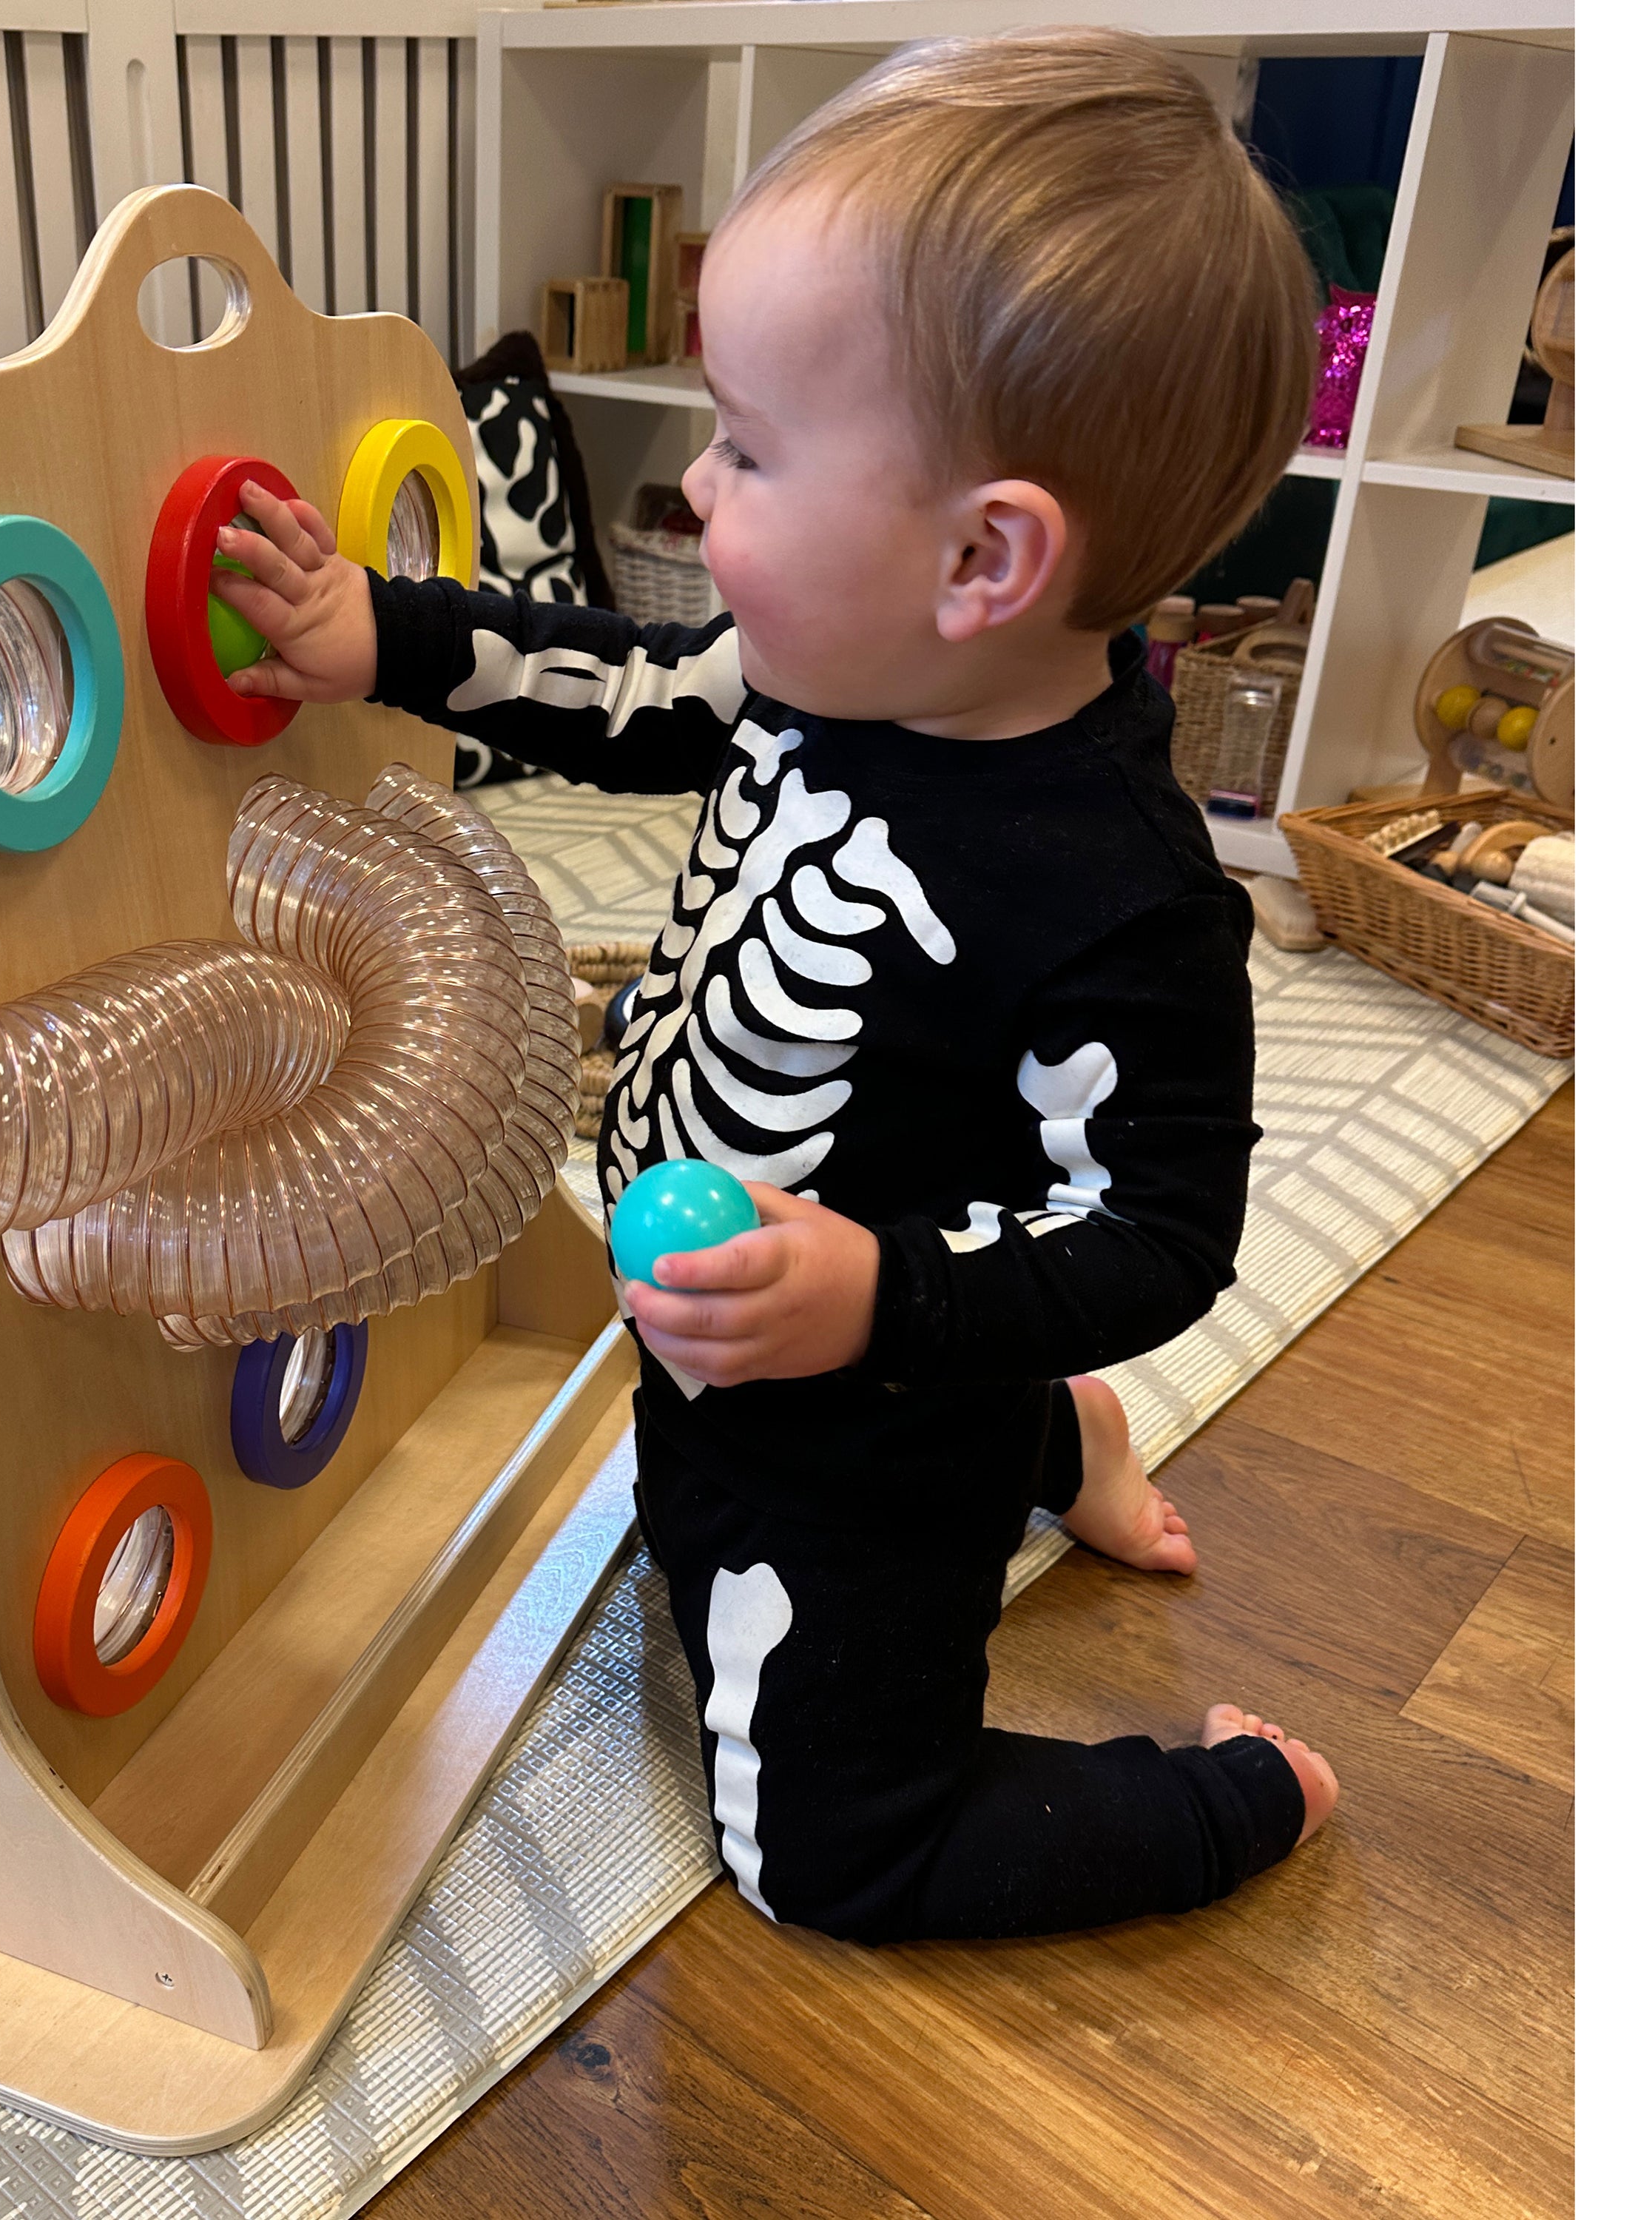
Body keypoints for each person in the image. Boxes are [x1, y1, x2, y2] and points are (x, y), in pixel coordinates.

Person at [205, 26, 1338, 1941]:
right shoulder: (818, 667)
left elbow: (1158, 1230)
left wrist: (877, 1298)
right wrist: (369, 633)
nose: (697, 494)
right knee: (685, 1503)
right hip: (714, 1306)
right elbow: (614, 684)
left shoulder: (1119, 901)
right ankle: (1072, 1444)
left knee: (828, 1860)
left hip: (870, 1415)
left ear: (983, 558)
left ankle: (1241, 1798)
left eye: (748, 446)